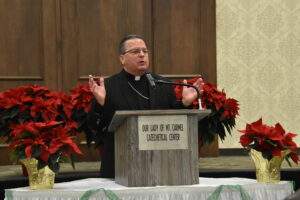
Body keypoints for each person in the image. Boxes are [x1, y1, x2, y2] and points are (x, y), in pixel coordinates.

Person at [87, 34, 203, 178]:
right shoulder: (109, 86)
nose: (142, 55)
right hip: (120, 164)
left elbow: (172, 121)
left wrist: (184, 104)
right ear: (122, 58)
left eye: (144, 51)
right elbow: (95, 126)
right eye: (135, 52)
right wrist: (101, 104)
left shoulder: (162, 84)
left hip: (159, 163)